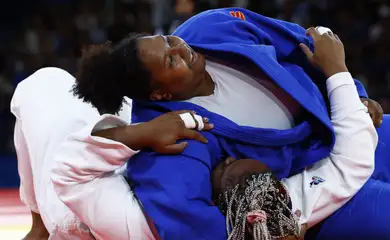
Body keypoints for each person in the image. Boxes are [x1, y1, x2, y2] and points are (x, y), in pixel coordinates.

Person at [70, 7, 387, 239]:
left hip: (344, 123)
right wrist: (273, 231)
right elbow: (187, 221)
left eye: (168, 41)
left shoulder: (210, 28)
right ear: (161, 93)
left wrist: (351, 96)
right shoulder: (173, 133)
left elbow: (304, 45)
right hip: (318, 185)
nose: (181, 48)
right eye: (171, 61)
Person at [211, 30, 377, 239]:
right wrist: (337, 72)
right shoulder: (294, 203)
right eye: (227, 166)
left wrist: (349, 87)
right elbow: (353, 160)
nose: (228, 159)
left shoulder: (284, 206)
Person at [11, 67, 211, 239]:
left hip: (84, 214)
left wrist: (146, 132)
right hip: (134, 179)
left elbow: (71, 166)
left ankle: (41, 231)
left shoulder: (135, 223)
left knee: (46, 82)